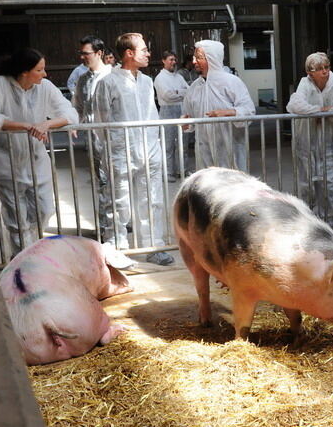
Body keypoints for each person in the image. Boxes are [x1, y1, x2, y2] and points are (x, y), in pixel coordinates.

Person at [0, 47, 78, 256]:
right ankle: (23, 261)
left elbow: (69, 112)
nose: (45, 74)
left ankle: (30, 251)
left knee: (44, 209)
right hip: (5, 162)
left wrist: (46, 125)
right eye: (40, 70)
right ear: (25, 72)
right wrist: (24, 126)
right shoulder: (0, 85)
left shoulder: (46, 87)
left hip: (36, 160)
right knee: (17, 219)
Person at [92, 33, 173, 266]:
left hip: (149, 149)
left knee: (153, 199)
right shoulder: (108, 82)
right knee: (120, 202)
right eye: (144, 50)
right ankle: (117, 248)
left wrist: (154, 144)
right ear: (129, 53)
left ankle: (153, 245)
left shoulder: (147, 82)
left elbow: (152, 114)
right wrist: (113, 148)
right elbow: (101, 122)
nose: (148, 54)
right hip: (121, 151)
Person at [71, 35, 132, 267]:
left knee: (117, 186)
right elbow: (78, 105)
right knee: (101, 184)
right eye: (82, 53)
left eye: (86, 53)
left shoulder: (113, 77)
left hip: (114, 140)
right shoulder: (83, 79)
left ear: (98, 53)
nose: (82, 57)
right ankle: (106, 231)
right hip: (93, 140)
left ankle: (115, 235)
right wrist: (76, 124)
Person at [286, 52, 333, 225]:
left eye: (326, 67)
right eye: (319, 69)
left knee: (329, 185)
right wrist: (319, 111)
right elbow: (294, 104)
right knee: (307, 185)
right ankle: (308, 225)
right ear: (310, 72)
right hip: (306, 143)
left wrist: (330, 110)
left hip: (330, 143)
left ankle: (330, 225)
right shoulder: (305, 85)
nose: (324, 72)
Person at [182, 39, 255, 171]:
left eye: (199, 58)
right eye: (194, 57)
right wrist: (186, 123)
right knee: (208, 188)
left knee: (232, 186)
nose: (193, 62)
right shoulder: (193, 88)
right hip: (204, 151)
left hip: (229, 149)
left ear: (212, 58)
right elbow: (189, 117)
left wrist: (228, 112)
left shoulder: (231, 82)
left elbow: (249, 110)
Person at [153, 49, 190, 181]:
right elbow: (167, 96)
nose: (173, 62)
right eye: (170, 60)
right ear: (164, 61)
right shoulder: (160, 78)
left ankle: (183, 170)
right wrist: (181, 93)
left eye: (174, 60)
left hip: (181, 110)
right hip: (167, 112)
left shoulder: (179, 77)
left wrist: (177, 92)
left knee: (183, 143)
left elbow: (189, 91)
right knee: (168, 144)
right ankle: (168, 172)